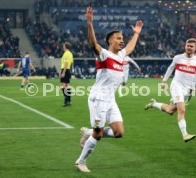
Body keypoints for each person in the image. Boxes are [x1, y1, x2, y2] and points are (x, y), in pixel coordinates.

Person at [75, 7, 143, 173]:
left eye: (122, 38)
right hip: (99, 99)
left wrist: (136, 34)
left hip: (110, 99)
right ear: (110, 41)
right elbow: (93, 43)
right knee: (98, 135)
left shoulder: (120, 56)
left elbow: (130, 48)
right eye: (118, 39)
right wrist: (90, 23)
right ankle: (80, 161)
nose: (121, 41)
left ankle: (88, 132)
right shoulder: (104, 55)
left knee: (119, 132)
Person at [144, 38, 196, 143]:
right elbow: (170, 68)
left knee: (170, 110)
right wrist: (164, 81)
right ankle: (185, 134)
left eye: (191, 46)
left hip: (187, 89)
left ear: (195, 48)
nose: (189, 47)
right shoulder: (178, 58)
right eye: (187, 45)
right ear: (185, 46)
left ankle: (153, 104)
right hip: (177, 86)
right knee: (182, 110)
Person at [60, 42, 74, 107]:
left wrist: (63, 72)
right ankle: (69, 101)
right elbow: (71, 62)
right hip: (68, 70)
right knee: (67, 86)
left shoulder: (66, 53)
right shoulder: (70, 54)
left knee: (63, 86)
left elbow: (66, 63)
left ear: (65, 46)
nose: (63, 47)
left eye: (63, 46)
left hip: (64, 69)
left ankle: (66, 100)